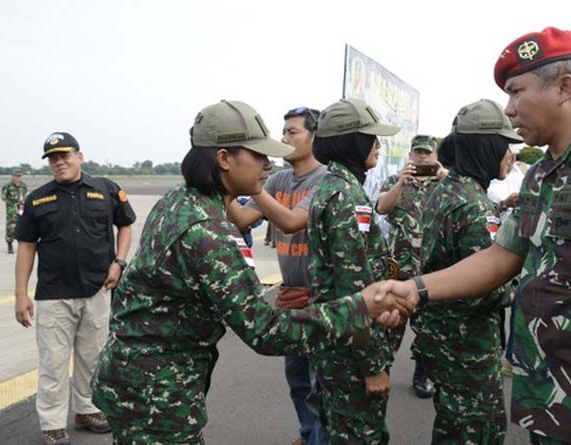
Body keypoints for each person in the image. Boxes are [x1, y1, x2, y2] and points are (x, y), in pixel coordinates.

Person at [379, 27, 571, 444]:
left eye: (516, 92)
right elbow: (501, 256)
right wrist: (415, 289)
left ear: (564, 87)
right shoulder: (544, 173)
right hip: (552, 400)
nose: (509, 110)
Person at [90, 100, 410, 445]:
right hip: (156, 394)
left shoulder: (180, 199)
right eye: (258, 155)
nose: (267, 164)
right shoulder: (205, 232)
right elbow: (265, 330)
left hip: (139, 380)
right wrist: (359, 308)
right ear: (224, 159)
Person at [13, 132, 136, 445]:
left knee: (93, 357)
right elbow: (26, 247)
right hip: (55, 294)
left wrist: (119, 263)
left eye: (65, 156)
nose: (59, 162)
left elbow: (125, 225)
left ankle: (88, 409)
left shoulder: (106, 190)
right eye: (53, 159)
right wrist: (21, 294)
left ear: (80, 156)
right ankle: (52, 425)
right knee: (53, 363)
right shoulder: (37, 200)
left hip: (98, 289)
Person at [415, 98, 522, 444]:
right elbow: (485, 287)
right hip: (467, 344)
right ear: (486, 147)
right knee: (478, 430)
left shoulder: (447, 190)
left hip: (444, 337)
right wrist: (523, 283)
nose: (511, 154)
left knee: (452, 426)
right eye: (505, 145)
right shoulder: (474, 205)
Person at [226, 106, 327, 445]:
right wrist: (224, 182)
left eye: (292, 132)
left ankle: (318, 436)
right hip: (290, 295)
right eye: (282, 132)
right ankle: (307, 432)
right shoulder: (278, 180)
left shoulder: (325, 180)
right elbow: (241, 218)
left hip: (320, 300)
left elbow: (291, 221)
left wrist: (253, 186)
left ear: (315, 137)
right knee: (297, 378)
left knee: (319, 383)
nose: (283, 139)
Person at [307, 98, 403, 444]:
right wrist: (373, 364)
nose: (377, 144)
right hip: (349, 351)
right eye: (369, 137)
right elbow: (356, 291)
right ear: (350, 142)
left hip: (337, 341)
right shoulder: (347, 196)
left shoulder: (334, 187)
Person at [375, 134, 446, 399]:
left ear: (435, 156)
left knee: (427, 327)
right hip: (400, 270)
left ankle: (423, 373)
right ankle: (382, 370)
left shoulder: (445, 185)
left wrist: (445, 178)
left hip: (432, 271)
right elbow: (381, 208)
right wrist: (401, 184)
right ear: (410, 155)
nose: (423, 157)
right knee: (390, 323)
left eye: (427, 153)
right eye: (418, 153)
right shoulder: (396, 180)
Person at [1, 167, 27, 254]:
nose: (18, 177)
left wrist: (22, 202)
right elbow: (3, 197)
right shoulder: (8, 186)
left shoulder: (23, 185)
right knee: (11, 227)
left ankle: (21, 245)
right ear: (13, 176)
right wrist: (12, 201)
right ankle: (9, 244)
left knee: (22, 226)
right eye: (16, 176)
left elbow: (24, 195)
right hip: (11, 209)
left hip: (21, 208)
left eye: (19, 176)